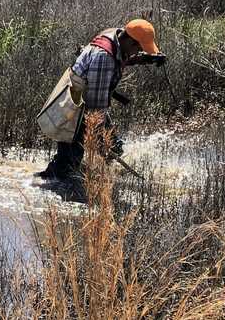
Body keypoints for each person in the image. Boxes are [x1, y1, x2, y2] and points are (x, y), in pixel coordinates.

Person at [35, 19, 166, 199]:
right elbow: (95, 107)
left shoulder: (115, 34)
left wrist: (145, 59)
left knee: (110, 147)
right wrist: (99, 136)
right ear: (130, 41)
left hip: (82, 99)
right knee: (70, 159)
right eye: (139, 48)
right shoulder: (104, 58)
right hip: (76, 106)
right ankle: (48, 190)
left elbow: (122, 57)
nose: (138, 51)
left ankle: (60, 179)